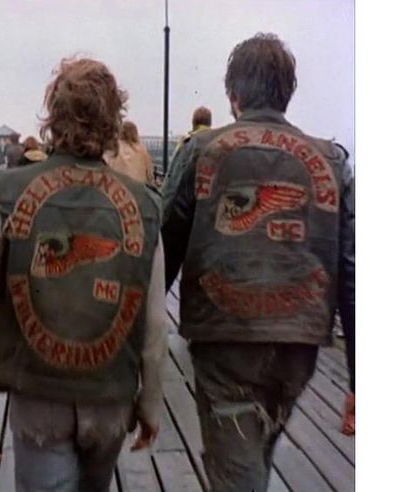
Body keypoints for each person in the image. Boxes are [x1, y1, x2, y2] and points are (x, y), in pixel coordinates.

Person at [0, 57, 168, 492]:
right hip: (110, 397)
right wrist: (150, 403)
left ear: (53, 117)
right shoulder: (145, 205)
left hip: (38, 394)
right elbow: (154, 327)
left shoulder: (8, 189)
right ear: (113, 119)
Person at [160, 33, 355, 492]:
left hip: (224, 340)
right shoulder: (333, 162)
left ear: (233, 96)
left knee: (237, 469)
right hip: (299, 347)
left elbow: (164, 250)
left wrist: (141, 349)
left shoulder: (200, 152)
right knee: (254, 455)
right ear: (287, 92)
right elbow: (351, 270)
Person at [103, 121, 155, 185]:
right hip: (138, 189)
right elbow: (150, 174)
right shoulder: (142, 150)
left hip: (117, 189)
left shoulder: (113, 148)